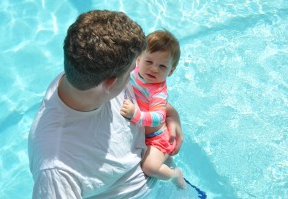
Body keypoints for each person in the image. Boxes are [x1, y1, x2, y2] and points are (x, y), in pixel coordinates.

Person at [28, 10, 184, 199]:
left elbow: (149, 100)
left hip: (160, 166)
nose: (137, 72)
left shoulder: (85, 72)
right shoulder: (57, 171)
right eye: (130, 73)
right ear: (110, 83)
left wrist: (172, 115)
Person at [120, 30, 186, 189]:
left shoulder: (158, 92)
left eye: (162, 66)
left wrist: (135, 114)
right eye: (149, 62)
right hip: (146, 134)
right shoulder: (134, 73)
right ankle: (167, 163)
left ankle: (174, 175)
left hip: (157, 138)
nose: (154, 69)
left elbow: (158, 117)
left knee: (149, 167)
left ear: (171, 71)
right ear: (138, 59)